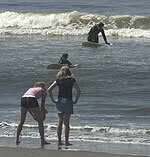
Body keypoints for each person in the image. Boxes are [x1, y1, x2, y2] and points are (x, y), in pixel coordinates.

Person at [48, 66, 81, 146]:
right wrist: (76, 100)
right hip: (68, 101)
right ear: (69, 72)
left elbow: (49, 89)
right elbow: (79, 91)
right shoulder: (72, 80)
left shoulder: (58, 80)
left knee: (60, 121)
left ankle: (59, 141)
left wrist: (53, 100)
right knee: (66, 122)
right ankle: (66, 141)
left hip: (60, 101)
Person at [16, 81, 50, 146]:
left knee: (21, 121)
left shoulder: (31, 89)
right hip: (32, 99)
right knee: (40, 122)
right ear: (43, 86)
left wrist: (33, 116)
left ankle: (17, 139)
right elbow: (42, 106)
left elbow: (29, 108)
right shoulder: (43, 91)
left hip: (23, 99)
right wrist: (43, 115)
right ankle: (42, 140)